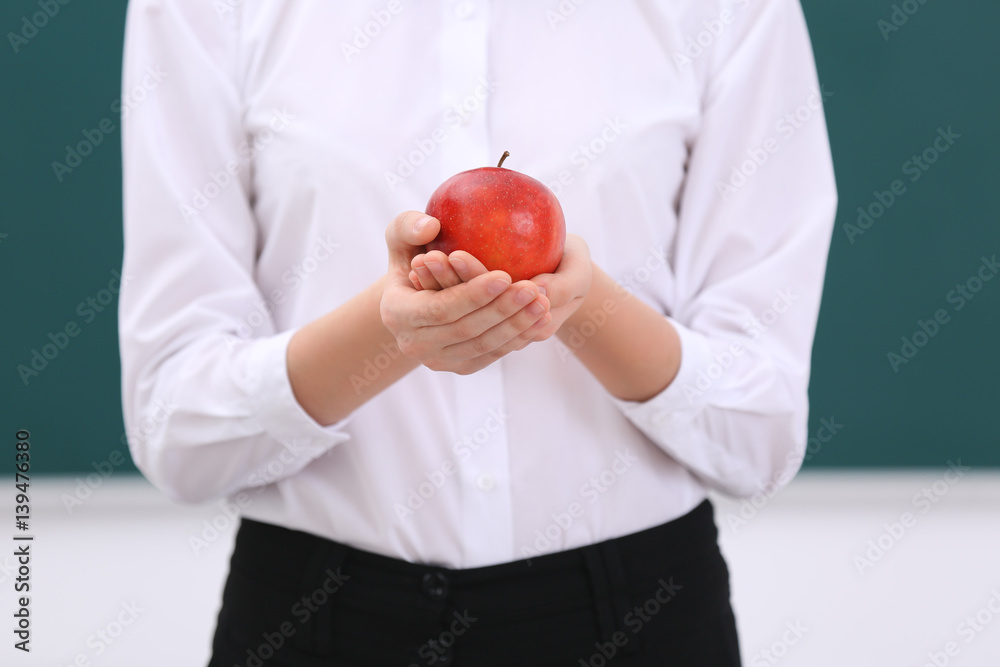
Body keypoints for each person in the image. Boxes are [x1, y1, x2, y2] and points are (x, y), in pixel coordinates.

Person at [119, 1, 836, 665]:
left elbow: (760, 430)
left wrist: (581, 305)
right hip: (316, 615)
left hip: (638, 614)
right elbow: (177, 429)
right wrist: (388, 328)